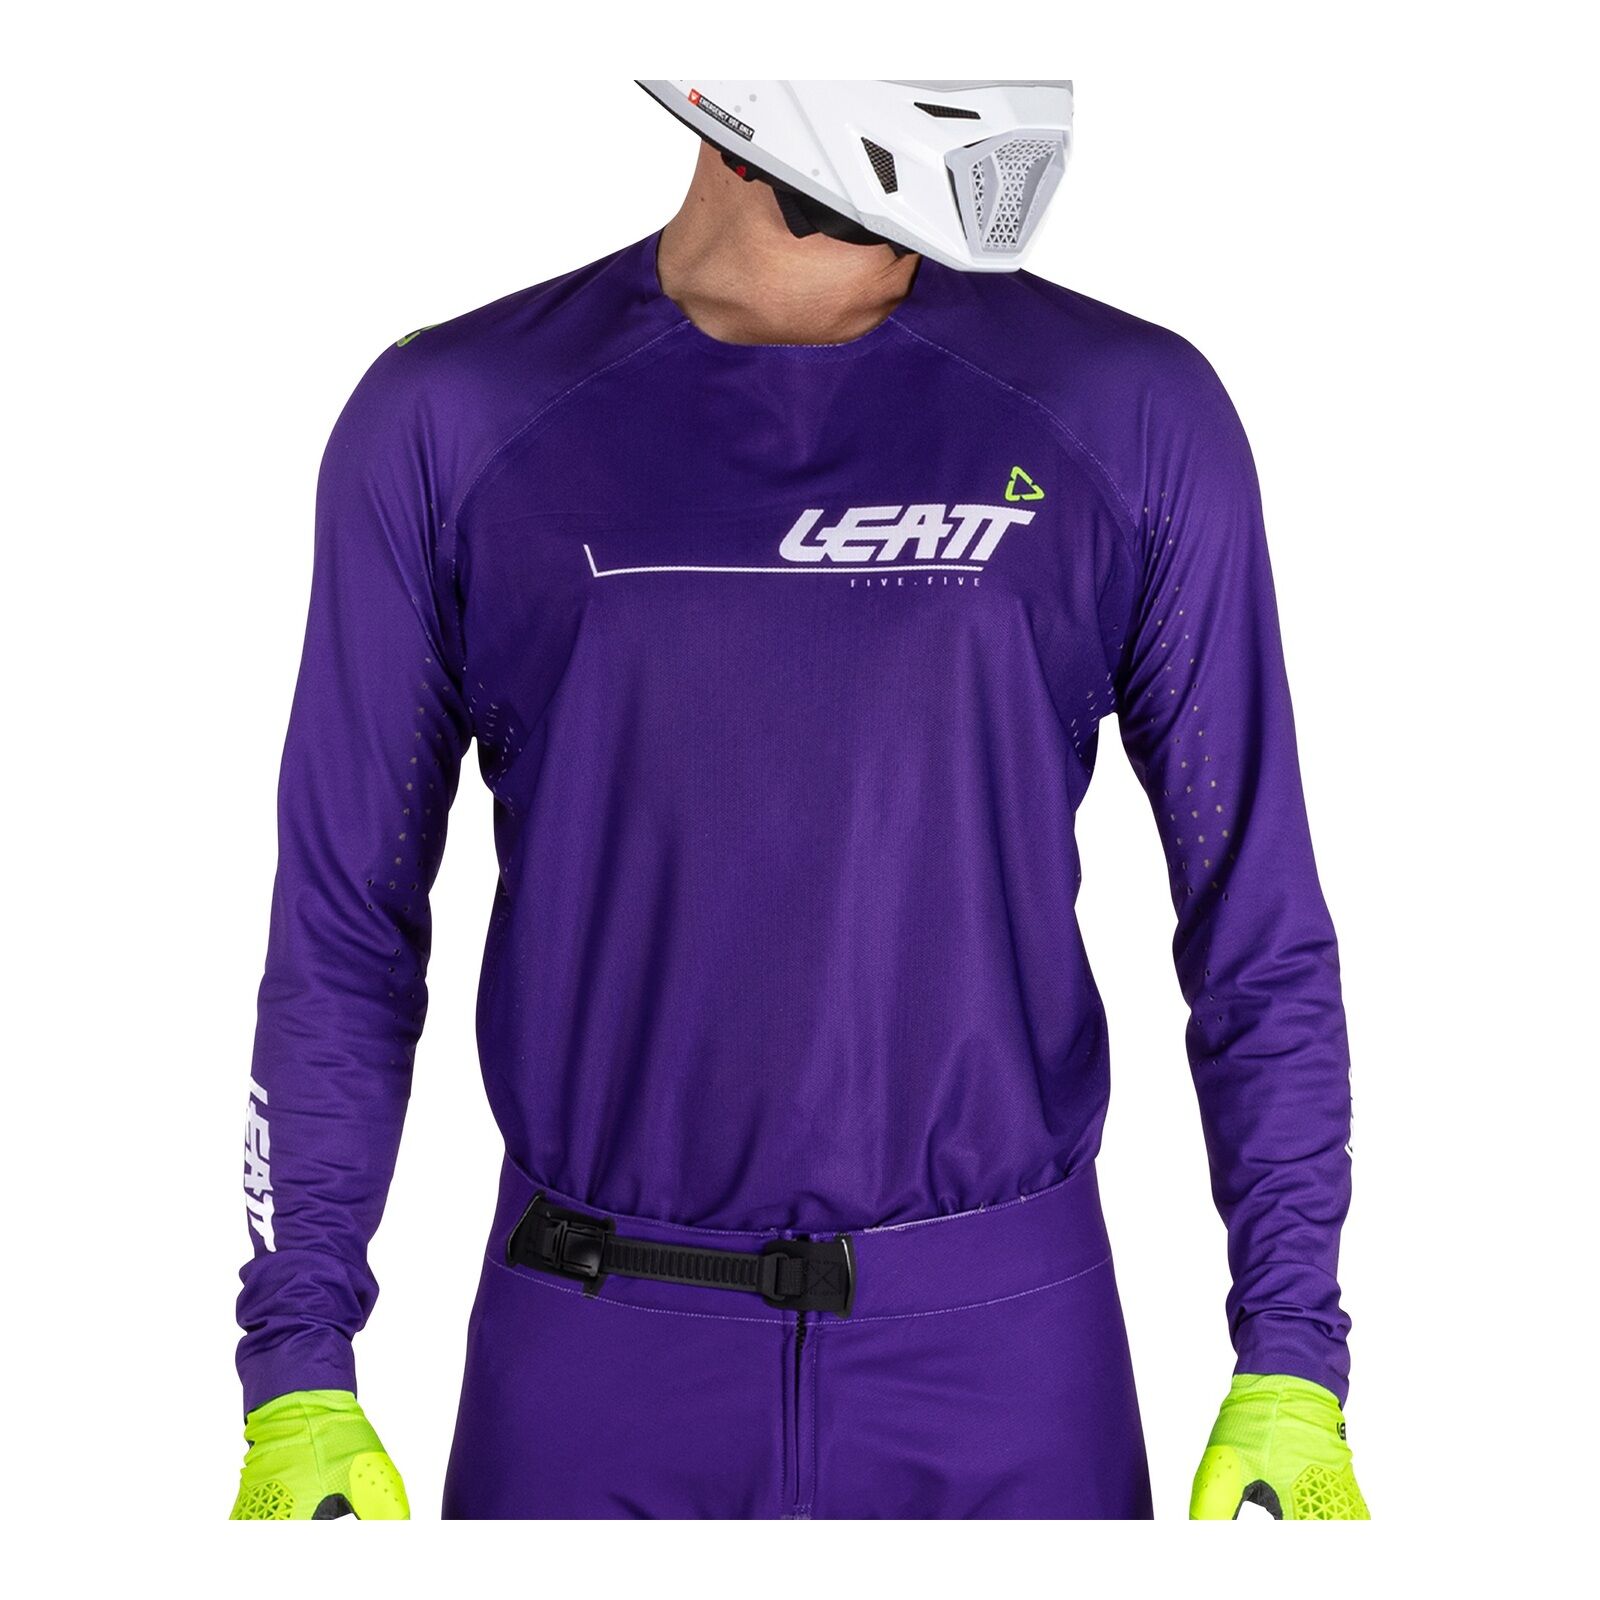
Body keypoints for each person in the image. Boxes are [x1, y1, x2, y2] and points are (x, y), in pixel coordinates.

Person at [231, 79, 1368, 1521]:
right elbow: (344, 923)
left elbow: (1253, 910)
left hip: (1000, 1356)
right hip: (594, 1360)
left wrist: (1290, 1353)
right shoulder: (454, 418)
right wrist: (300, 1363)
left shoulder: (1129, 413)